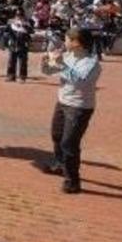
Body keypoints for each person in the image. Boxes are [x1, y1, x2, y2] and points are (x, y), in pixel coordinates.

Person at [41, 28, 102, 194]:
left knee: (69, 143)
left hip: (79, 107)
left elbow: (80, 80)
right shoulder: (68, 57)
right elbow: (48, 71)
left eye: (67, 40)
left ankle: (72, 180)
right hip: (63, 102)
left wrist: (61, 63)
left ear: (76, 43)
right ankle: (60, 165)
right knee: (57, 135)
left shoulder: (91, 62)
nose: (64, 43)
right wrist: (46, 62)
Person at [3, 12, 32, 82]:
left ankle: (22, 77)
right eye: (17, 16)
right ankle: (11, 76)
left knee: (22, 62)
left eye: (20, 16)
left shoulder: (26, 24)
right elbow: (6, 32)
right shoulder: (11, 25)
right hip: (13, 45)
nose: (19, 17)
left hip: (22, 45)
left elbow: (30, 32)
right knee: (11, 61)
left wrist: (23, 26)